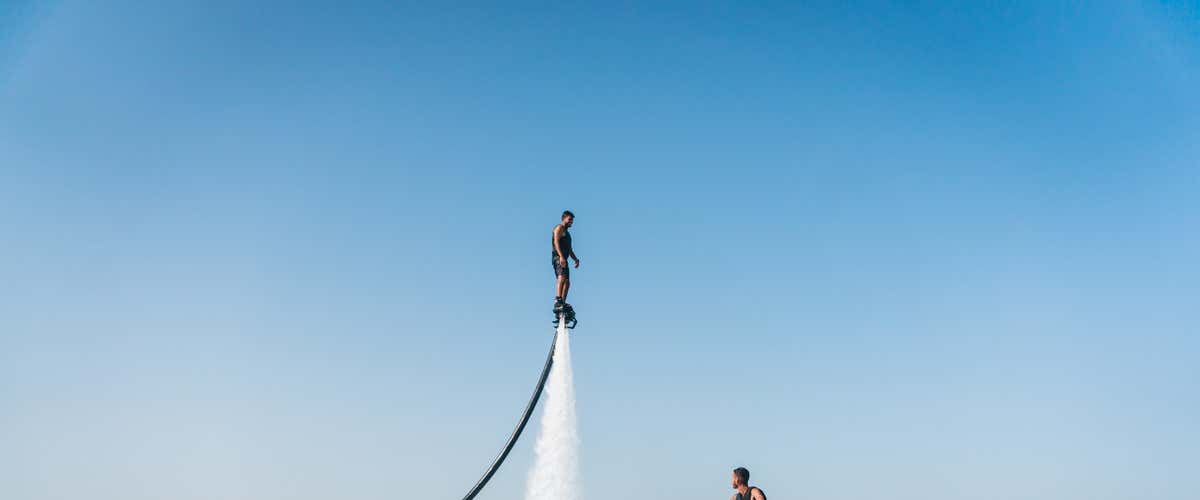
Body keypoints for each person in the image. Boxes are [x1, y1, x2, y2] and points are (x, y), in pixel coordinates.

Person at [552, 210, 580, 314]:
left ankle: (562, 302)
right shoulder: (559, 228)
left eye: (572, 221)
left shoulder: (568, 234)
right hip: (558, 258)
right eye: (569, 220)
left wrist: (576, 259)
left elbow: (570, 249)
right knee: (562, 277)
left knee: (567, 282)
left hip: (565, 258)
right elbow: (556, 242)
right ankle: (558, 300)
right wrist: (561, 257)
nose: (571, 222)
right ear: (563, 219)